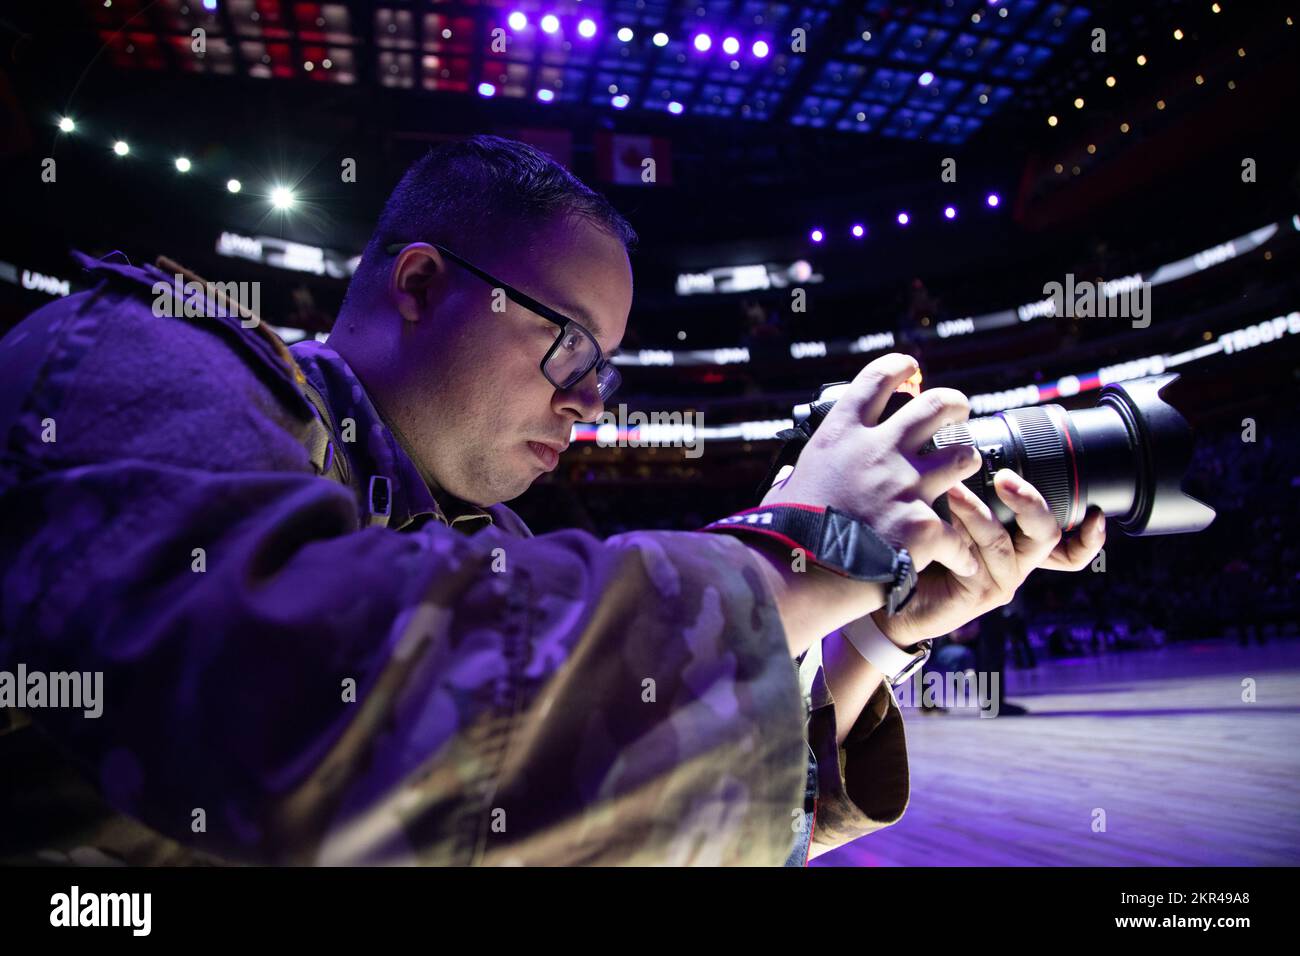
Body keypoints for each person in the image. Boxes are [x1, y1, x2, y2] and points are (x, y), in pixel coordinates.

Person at [0, 135, 1104, 866]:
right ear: (422, 283)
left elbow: (609, 800)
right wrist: (785, 555)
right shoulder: (140, 354)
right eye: (566, 342)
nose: (584, 401)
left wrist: (872, 639)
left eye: (602, 367)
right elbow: (280, 713)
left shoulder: (494, 542)